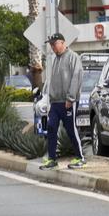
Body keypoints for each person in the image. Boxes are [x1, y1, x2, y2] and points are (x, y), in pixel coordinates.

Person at [39, 33, 86, 170]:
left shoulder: (73, 57)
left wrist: (70, 98)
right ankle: (52, 159)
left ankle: (80, 158)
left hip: (68, 101)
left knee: (71, 130)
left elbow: (76, 78)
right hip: (55, 102)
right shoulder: (56, 59)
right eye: (51, 45)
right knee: (51, 127)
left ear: (62, 42)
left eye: (54, 44)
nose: (52, 47)